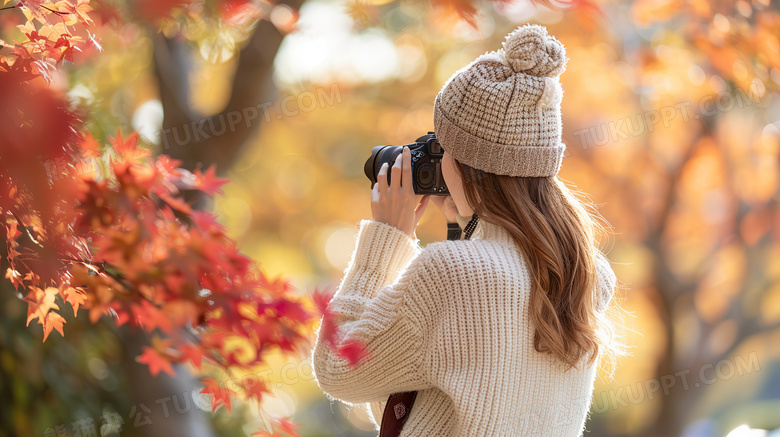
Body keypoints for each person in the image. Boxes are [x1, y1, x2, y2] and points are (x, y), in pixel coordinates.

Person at [312, 23, 621, 436]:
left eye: (441, 146)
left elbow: (338, 368)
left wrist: (387, 237)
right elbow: (429, 385)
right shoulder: (587, 273)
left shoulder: (452, 273)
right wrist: (463, 224)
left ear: (461, 161)